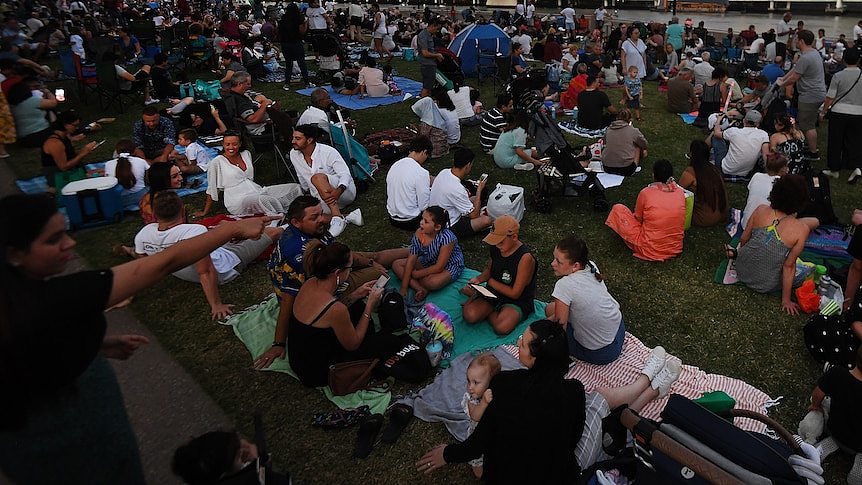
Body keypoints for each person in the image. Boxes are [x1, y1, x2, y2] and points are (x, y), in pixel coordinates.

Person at [0, 193, 275, 484]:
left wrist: (95, 345)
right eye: (54, 239)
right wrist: (232, 229)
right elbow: (162, 263)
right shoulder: (58, 298)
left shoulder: (20, 302)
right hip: (79, 448)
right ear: (14, 254)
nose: (70, 243)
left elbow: (36, 341)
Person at [416, 320, 682, 482]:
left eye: (522, 343)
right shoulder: (572, 391)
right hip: (558, 473)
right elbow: (574, 437)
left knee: (597, 403)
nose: (518, 342)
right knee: (597, 402)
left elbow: (479, 442)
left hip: (515, 476)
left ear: (535, 358)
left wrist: (447, 454)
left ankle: (649, 384)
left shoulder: (504, 384)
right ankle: (649, 385)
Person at [256, 195, 407, 370]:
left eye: (321, 214)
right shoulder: (298, 258)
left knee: (374, 258)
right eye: (314, 217)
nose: (322, 219)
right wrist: (279, 343)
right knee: (378, 273)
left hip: (330, 274)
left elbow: (342, 254)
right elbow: (288, 299)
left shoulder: (313, 232)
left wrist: (369, 261)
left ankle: (416, 249)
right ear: (296, 222)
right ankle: (417, 256)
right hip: (328, 288)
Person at [134, 191, 283, 319]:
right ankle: (287, 226)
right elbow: (205, 271)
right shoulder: (193, 232)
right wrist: (216, 305)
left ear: (154, 213)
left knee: (222, 228)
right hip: (226, 266)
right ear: (182, 209)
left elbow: (144, 266)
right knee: (273, 232)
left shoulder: (143, 234)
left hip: (196, 264)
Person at [733, 175, 815, 315]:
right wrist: (786, 300)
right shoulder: (801, 229)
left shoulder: (760, 210)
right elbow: (789, 267)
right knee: (808, 270)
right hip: (765, 284)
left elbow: (744, 239)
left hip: (741, 270)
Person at [545, 236, 625, 365]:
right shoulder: (590, 265)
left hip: (601, 353)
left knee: (549, 327)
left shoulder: (564, 285)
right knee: (550, 309)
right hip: (618, 330)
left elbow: (560, 330)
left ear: (575, 265)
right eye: (554, 258)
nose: (552, 263)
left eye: (558, 262)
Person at [197, 132, 303, 218]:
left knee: (295, 187)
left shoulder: (246, 154)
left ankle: (295, 210)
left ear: (240, 144)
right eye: (227, 144)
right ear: (223, 144)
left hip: (257, 190)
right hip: (237, 200)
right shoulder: (217, 162)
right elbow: (211, 188)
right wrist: (205, 211)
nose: (231, 147)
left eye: (234, 144)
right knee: (262, 200)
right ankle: (278, 216)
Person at [461, 216, 537, 335]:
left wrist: (491, 282)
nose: (498, 246)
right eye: (495, 242)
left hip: (517, 300)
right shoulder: (496, 247)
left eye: (501, 242)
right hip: (494, 293)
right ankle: (484, 302)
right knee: (470, 315)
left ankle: (487, 308)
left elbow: (515, 293)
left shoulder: (525, 258)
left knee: (502, 327)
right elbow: (490, 269)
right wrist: (479, 279)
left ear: (514, 237)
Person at [605, 159, 686, 262]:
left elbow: (638, 218)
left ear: (653, 175)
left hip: (650, 249)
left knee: (618, 209)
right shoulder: (680, 193)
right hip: (675, 247)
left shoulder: (646, 193)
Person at [807, 347, 862, 485]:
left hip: (835, 430)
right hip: (859, 444)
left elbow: (818, 394)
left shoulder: (837, 373)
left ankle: (822, 448)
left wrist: (815, 406)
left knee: (830, 406)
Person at [289, 124, 359, 223]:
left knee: (317, 178)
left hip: (343, 192)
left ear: (309, 140)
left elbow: (345, 174)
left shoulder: (328, 152)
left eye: (297, 139)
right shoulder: (294, 154)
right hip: (320, 198)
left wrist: (339, 191)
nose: (293, 142)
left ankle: (336, 218)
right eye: (293, 138)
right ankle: (348, 217)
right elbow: (302, 180)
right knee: (304, 216)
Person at [392, 206, 465, 301]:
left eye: (426, 221)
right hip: (429, 260)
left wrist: (417, 274)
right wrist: (404, 288)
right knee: (397, 264)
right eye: (422, 218)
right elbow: (411, 260)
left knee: (433, 282)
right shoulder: (419, 233)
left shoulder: (447, 238)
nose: (421, 222)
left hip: (450, 265)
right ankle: (420, 289)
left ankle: (420, 283)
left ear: (437, 227)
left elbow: (439, 267)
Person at [776, 30, 826, 161]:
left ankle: (813, 153)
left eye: (796, 39)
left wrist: (781, 84)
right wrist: (783, 77)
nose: (795, 41)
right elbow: (795, 70)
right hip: (817, 93)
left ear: (801, 41)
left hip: (810, 95)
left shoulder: (805, 57)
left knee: (807, 125)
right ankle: (809, 146)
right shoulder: (813, 53)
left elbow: (794, 78)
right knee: (807, 122)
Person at [172, 430, 291, 485]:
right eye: (239, 456)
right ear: (222, 475)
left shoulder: (198, 475)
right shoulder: (253, 479)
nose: (246, 444)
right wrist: (259, 464)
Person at [430, 148, 494, 239]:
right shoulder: (457, 188)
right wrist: (479, 189)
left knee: (473, 199)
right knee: (486, 220)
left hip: (436, 216)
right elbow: (474, 216)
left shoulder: (444, 172)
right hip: (448, 226)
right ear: (468, 165)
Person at [821, 48, 862, 182]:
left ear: (843, 59)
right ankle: (855, 166)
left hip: (839, 112)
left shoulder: (838, 76)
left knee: (835, 141)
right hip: (858, 112)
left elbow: (830, 97)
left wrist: (824, 111)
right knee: (854, 141)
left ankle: (834, 169)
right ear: (858, 60)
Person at [461, 352, 501, 479]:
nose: (470, 387)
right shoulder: (470, 399)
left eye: (475, 382)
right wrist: (484, 402)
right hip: (477, 436)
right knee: (477, 457)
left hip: (492, 433)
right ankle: (478, 469)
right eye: (469, 381)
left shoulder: (495, 392)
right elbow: (475, 416)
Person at [40, 110, 98, 188]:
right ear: (65, 124)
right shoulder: (55, 143)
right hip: (59, 178)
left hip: (69, 172)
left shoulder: (64, 135)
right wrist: (84, 153)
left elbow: (69, 156)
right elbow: (63, 167)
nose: (76, 128)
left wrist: (84, 150)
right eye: (74, 125)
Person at [386, 135, 433, 230]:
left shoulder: (395, 165)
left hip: (392, 218)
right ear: (424, 152)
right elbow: (424, 205)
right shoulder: (421, 172)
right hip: (411, 220)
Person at [678, 139, 728, 227]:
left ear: (692, 154)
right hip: (722, 214)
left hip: (703, 218)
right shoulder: (714, 169)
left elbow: (677, 192)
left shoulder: (690, 172)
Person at [712, 110, 770, 178]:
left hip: (725, 169)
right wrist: (768, 173)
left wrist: (718, 120)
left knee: (716, 138)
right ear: (758, 124)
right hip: (745, 173)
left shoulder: (734, 131)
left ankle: (703, 157)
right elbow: (765, 154)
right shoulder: (763, 134)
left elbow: (716, 134)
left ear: (744, 120)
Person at [7, 76, 57, 147]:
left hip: (23, 139)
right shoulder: (32, 101)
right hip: (41, 134)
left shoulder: (11, 105)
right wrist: (47, 91)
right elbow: (53, 103)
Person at [222, 72, 275, 137]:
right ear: (239, 84)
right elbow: (253, 119)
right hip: (260, 127)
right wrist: (264, 104)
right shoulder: (241, 102)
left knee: (260, 97)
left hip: (256, 112)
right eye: (248, 84)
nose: (250, 86)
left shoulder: (233, 94)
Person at [742, 153, 787, 228]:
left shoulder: (756, 176)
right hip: (762, 229)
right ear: (782, 169)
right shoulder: (781, 184)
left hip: (745, 224)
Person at [601, 109, 648, 176]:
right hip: (626, 169)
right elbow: (644, 144)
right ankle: (638, 159)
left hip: (607, 167)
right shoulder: (633, 131)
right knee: (638, 146)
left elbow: (604, 142)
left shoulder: (608, 130)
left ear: (616, 118)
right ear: (629, 119)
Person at [105, 139, 149, 207]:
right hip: (140, 196)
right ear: (134, 151)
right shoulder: (141, 161)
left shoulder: (108, 164)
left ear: (116, 152)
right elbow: (148, 179)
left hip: (118, 199)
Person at [280, 2, 312, 91]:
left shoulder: (283, 19)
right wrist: (306, 24)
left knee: (288, 64)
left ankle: (287, 83)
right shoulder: (298, 19)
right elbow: (302, 32)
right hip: (296, 43)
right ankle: (306, 82)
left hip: (285, 44)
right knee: (302, 63)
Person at [416, 17, 444, 98]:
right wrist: (437, 55)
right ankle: (423, 102)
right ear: (432, 26)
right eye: (436, 28)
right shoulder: (423, 36)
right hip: (427, 64)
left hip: (431, 63)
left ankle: (427, 100)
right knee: (427, 86)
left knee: (429, 85)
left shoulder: (429, 35)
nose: (437, 30)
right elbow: (425, 53)